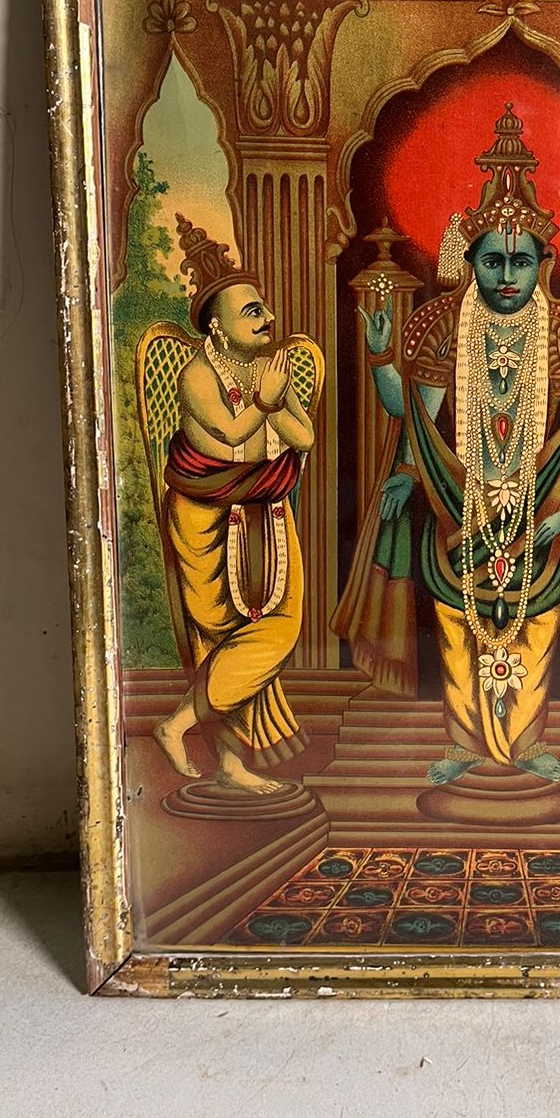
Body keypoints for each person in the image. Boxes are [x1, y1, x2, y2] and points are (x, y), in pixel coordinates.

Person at [341, 104, 560, 787]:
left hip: (540, 507)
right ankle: (465, 743)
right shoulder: (443, 327)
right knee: (457, 625)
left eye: (521, 262)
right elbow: (412, 418)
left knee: (535, 626)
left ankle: (526, 742)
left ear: (543, 264)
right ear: (470, 262)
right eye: (493, 261)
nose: (508, 274)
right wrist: (384, 359)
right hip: (459, 500)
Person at [151, 216, 316, 795]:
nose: (267, 318)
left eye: (264, 308)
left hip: (266, 507)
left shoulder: (266, 370)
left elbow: (304, 437)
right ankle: (219, 754)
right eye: (252, 312)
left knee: (279, 627)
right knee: (219, 637)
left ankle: (186, 731)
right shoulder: (198, 374)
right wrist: (266, 404)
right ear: (217, 327)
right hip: (206, 518)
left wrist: (275, 402)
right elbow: (225, 436)